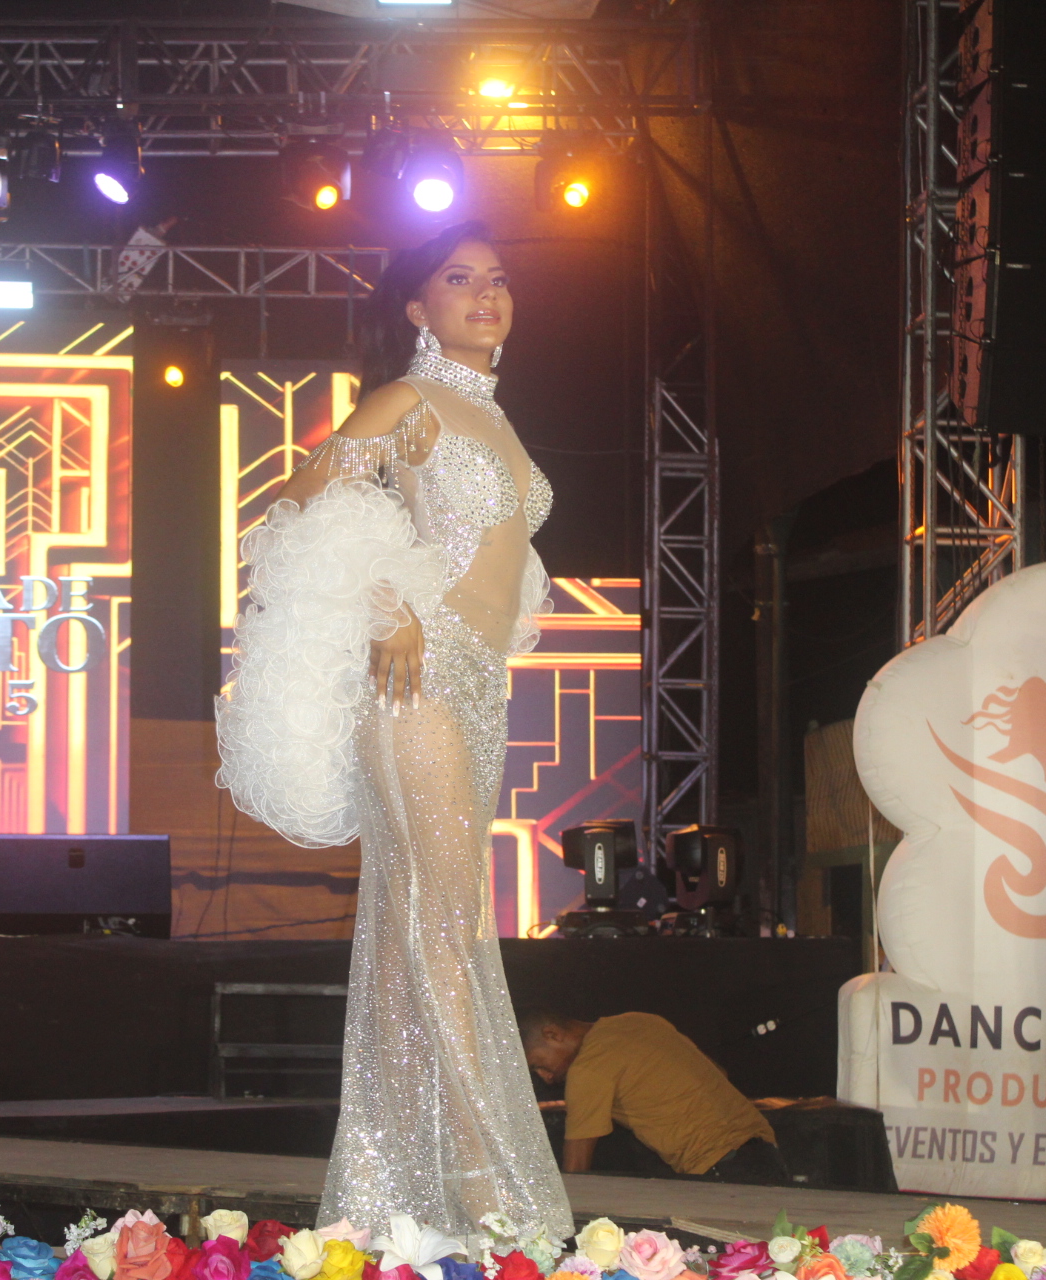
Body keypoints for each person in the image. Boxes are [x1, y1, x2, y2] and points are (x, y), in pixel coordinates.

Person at [215, 221, 570, 1239]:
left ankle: (395, 1196)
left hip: (477, 682)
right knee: (445, 923)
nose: (487, 294)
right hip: (416, 675)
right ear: (417, 306)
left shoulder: (490, 415)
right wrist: (383, 600)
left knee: (417, 924)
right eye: (459, 278)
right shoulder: (406, 399)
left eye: (499, 278)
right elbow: (292, 505)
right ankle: (486, 1186)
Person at [518, 1009, 788, 1184]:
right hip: (766, 1152)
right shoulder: (640, 1021)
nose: (545, 1077)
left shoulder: (587, 1069)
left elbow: (577, 1171)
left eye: (538, 1065)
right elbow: (718, 1072)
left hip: (721, 1170)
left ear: (552, 1035)